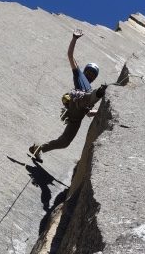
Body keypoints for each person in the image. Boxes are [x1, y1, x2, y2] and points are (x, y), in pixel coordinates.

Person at [28, 29, 107, 162]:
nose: (91, 75)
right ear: (85, 71)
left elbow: (88, 113)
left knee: (65, 142)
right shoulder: (79, 75)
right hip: (76, 102)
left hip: (78, 116)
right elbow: (70, 55)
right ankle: (99, 93)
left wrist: (100, 111)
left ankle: (38, 148)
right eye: (89, 72)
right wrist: (74, 39)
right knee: (88, 96)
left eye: (93, 74)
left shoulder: (90, 88)